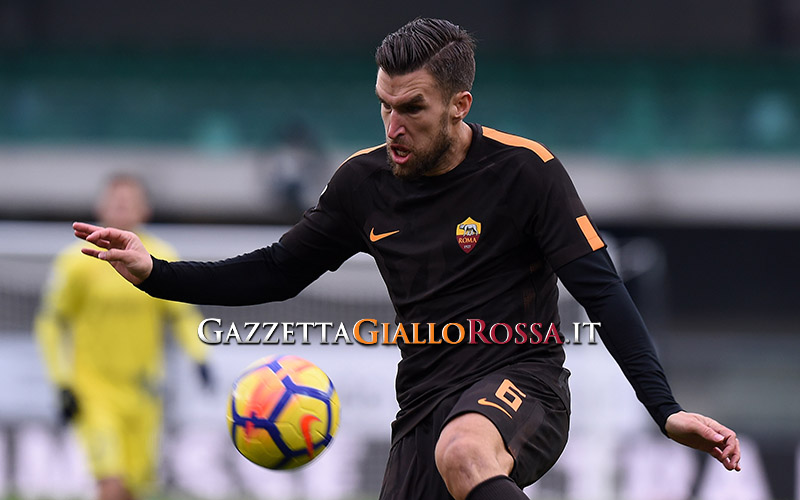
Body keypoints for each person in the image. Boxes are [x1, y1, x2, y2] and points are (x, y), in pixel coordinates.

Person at [72, 19, 740, 500]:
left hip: (524, 380)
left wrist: (664, 408)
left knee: (465, 450)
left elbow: (602, 290)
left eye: (412, 109)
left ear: (459, 106)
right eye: (384, 107)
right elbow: (278, 270)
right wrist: (157, 274)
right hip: (423, 401)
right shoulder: (362, 184)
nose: (393, 127)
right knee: (449, 448)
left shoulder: (525, 173)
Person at [36, 174, 211, 500]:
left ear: (145, 210)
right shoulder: (77, 261)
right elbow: (50, 324)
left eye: (129, 202)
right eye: (115, 202)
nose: (122, 208)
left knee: (133, 489)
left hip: (144, 394)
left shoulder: (160, 257)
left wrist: (200, 357)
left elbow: (183, 315)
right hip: (94, 391)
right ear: (100, 208)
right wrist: (61, 381)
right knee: (111, 484)